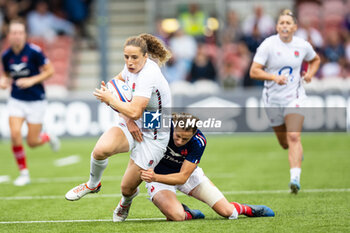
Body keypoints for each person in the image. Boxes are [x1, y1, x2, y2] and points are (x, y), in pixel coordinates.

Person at [65, 33, 172, 222]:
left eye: (134, 57)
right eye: (126, 57)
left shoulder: (149, 73)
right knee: (100, 150)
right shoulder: (130, 67)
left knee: (127, 188)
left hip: (155, 128)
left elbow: (136, 110)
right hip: (134, 118)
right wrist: (127, 118)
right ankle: (92, 185)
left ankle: (125, 202)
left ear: (145, 56)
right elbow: (116, 82)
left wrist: (111, 100)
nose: (129, 62)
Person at [140, 113, 275, 221]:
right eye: (178, 136)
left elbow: (182, 177)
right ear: (173, 126)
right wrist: (130, 124)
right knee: (177, 216)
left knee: (227, 212)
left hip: (184, 175)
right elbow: (137, 116)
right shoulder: (162, 123)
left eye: (185, 139)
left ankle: (246, 209)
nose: (180, 142)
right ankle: (189, 213)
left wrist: (154, 177)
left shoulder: (199, 141)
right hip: (159, 179)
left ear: (193, 134)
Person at [249, 9, 321, 194]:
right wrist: (273, 77)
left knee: (294, 136)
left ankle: (295, 179)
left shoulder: (302, 45)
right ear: (277, 27)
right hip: (272, 99)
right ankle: (296, 154)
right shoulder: (268, 45)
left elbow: (315, 60)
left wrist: (310, 74)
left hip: (295, 97)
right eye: (282, 23)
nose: (285, 26)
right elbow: (254, 71)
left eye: (288, 23)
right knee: (284, 143)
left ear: (295, 27)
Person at [0, 20, 60, 186]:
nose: (17, 36)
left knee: (32, 142)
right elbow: (6, 74)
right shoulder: (6, 55)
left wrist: (31, 80)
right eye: (13, 33)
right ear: (8, 35)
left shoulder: (34, 52)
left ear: (24, 34)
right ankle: (24, 173)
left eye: (20, 32)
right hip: (16, 100)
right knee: (14, 134)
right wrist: (3, 81)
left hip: (35, 101)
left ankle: (47, 137)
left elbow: (50, 71)